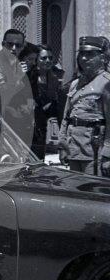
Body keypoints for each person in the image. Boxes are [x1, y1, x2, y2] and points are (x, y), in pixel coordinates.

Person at [58, 37, 110, 176]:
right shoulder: (75, 84)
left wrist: (107, 154)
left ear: (102, 58)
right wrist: (62, 145)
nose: (84, 58)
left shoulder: (106, 83)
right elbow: (66, 118)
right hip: (74, 149)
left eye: (90, 54)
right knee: (75, 186)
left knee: (93, 187)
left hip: (95, 151)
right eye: (81, 53)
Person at [0, 28, 35, 146]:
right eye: (10, 44)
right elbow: (1, 95)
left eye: (18, 45)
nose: (14, 48)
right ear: (3, 44)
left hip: (9, 121)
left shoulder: (15, 63)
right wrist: (19, 76)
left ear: (22, 47)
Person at [32, 44, 65, 158]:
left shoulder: (54, 77)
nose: (48, 61)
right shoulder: (28, 76)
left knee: (39, 155)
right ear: (36, 59)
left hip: (42, 122)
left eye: (50, 58)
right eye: (44, 58)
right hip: (27, 123)